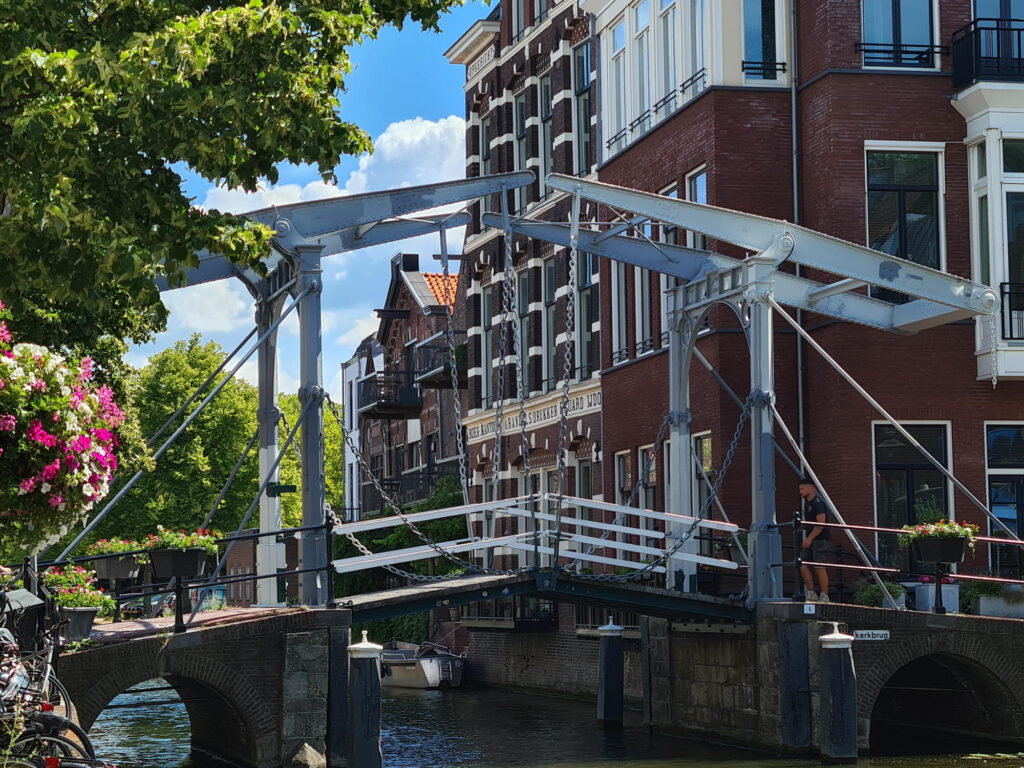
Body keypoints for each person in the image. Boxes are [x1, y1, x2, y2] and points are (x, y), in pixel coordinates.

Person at [799, 477, 831, 602]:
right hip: (811, 538)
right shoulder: (807, 503)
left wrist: (809, 538)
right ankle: (811, 592)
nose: (800, 492)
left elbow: (821, 523)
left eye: (802, 489)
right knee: (803, 564)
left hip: (821, 540)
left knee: (819, 566)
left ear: (810, 487)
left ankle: (824, 595)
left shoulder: (818, 502)